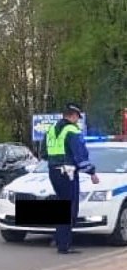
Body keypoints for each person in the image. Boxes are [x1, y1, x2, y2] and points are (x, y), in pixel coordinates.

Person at [43, 102, 99, 254]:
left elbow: (43, 154)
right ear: (73, 116)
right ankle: (64, 245)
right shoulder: (72, 130)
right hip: (67, 172)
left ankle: (59, 239)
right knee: (70, 208)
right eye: (77, 117)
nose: (77, 120)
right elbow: (80, 154)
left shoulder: (51, 130)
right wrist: (92, 172)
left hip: (53, 171)